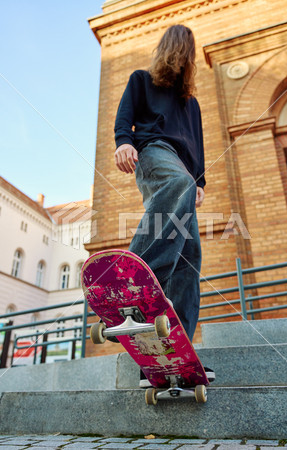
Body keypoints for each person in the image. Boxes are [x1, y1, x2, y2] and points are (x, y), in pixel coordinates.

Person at [114, 24, 215, 386]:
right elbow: (125, 115)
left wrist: (199, 182)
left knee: (190, 257)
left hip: (184, 174)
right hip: (154, 153)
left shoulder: (193, 105)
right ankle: (133, 280)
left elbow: (197, 147)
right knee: (176, 181)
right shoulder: (142, 80)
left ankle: (171, 355)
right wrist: (123, 142)